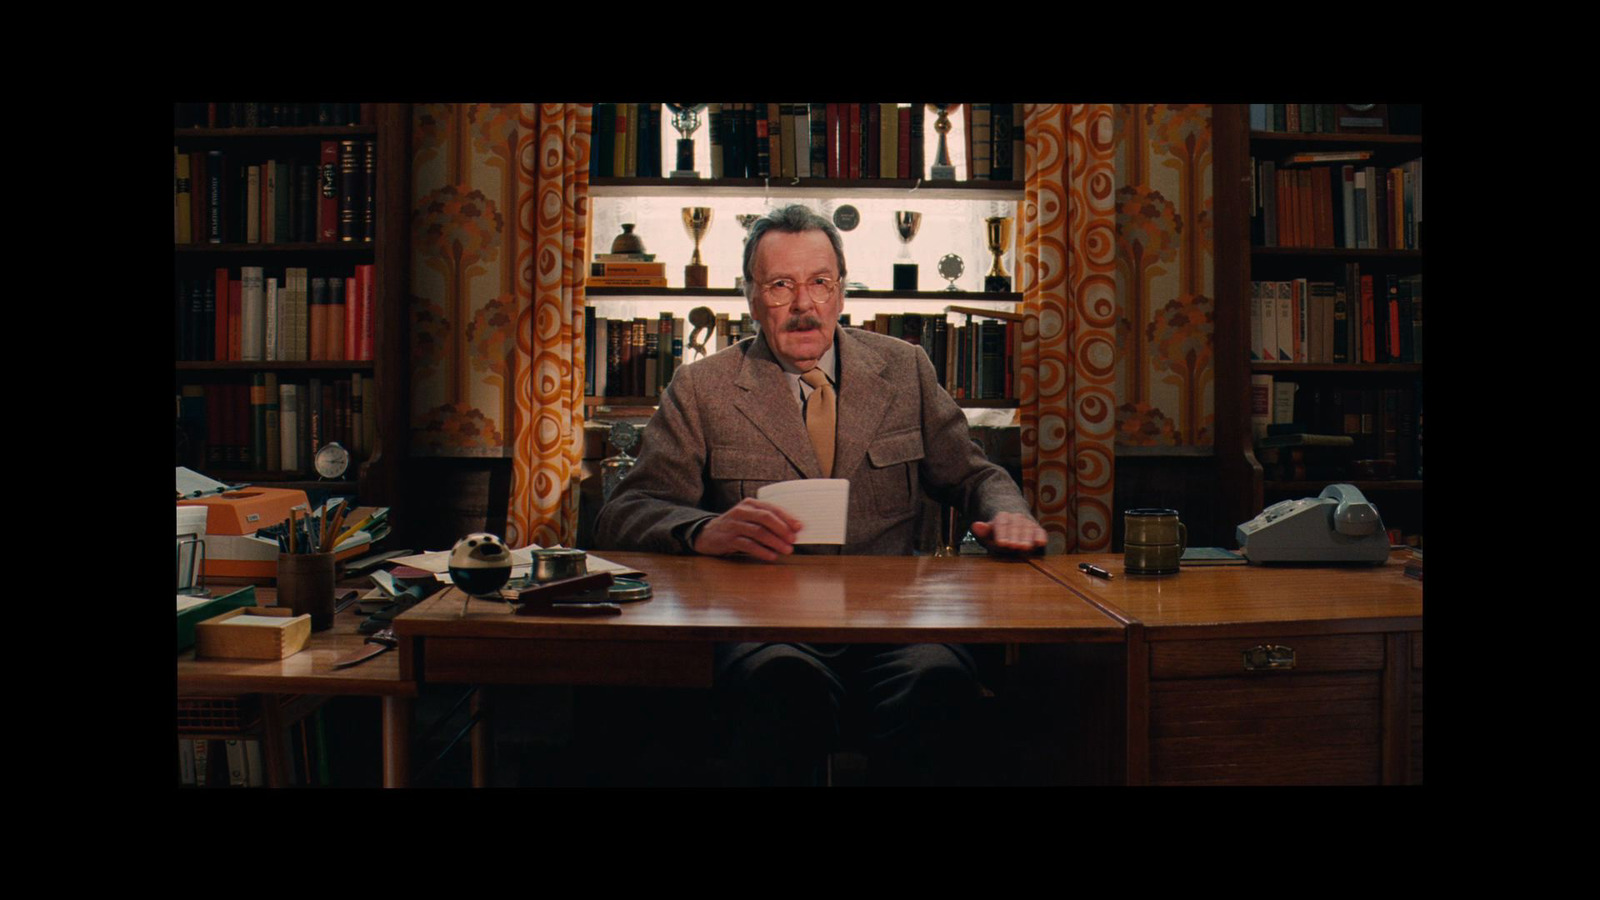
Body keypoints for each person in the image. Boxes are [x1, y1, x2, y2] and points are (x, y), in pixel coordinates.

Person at [594, 204, 1047, 784]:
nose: (804, 305)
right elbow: (625, 513)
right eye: (781, 285)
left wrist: (1007, 514)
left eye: (820, 283)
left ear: (841, 292)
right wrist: (705, 530)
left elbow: (976, 476)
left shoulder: (904, 368)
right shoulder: (701, 388)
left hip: (898, 627)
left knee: (941, 689)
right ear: (750, 297)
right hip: (767, 631)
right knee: (782, 691)